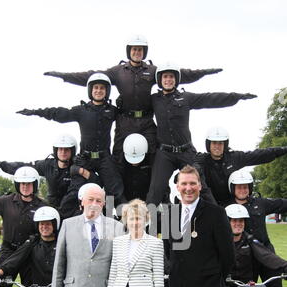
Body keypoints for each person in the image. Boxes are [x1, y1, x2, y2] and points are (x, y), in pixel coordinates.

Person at [44, 34, 223, 165]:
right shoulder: (118, 71)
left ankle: (161, 201)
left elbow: (182, 74)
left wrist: (206, 72)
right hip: (125, 120)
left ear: (144, 52)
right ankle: (117, 206)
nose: (137, 52)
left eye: (140, 50)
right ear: (129, 51)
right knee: (119, 157)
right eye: (134, 49)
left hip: (146, 120)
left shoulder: (153, 71)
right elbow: (93, 76)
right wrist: (63, 76)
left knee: (154, 154)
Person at [146, 63, 257, 206]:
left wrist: (236, 97)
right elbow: (136, 104)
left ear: (176, 79)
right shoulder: (154, 99)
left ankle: (219, 221)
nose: (168, 80)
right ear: (160, 79)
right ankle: (143, 226)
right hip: (164, 153)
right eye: (165, 77)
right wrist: (121, 103)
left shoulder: (185, 97)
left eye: (172, 77)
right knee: (155, 191)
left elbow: (210, 99)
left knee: (202, 187)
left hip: (186, 151)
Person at [16, 73, 125, 207]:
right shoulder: (81, 110)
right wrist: (35, 112)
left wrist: (124, 103)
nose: (98, 91)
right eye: (95, 88)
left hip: (105, 158)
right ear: (90, 90)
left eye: (102, 88)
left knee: (116, 191)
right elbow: (59, 113)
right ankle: (61, 217)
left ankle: (120, 223)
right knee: (74, 191)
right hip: (85, 158)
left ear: (107, 91)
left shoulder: (112, 111)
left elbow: (129, 117)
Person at [226, 169, 287, 287]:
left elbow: (282, 203)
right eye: (239, 187)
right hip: (244, 255)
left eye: (245, 187)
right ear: (232, 188)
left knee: (275, 286)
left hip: (264, 252)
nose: (243, 190)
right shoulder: (228, 207)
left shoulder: (260, 203)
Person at [219, 204, 287, 287]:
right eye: (234, 220)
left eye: (241, 221)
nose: (238, 224)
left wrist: (284, 266)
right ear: (227, 222)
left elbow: (266, 255)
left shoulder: (250, 241)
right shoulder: (220, 242)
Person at [195, 127, 287, 204]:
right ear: (208, 144)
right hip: (209, 204)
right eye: (214, 143)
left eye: (220, 143)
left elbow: (259, 155)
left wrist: (283, 150)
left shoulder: (234, 157)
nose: (217, 146)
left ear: (225, 145)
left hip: (232, 204)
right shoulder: (201, 160)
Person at [0, 134, 78, 208]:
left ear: (72, 151)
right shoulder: (47, 165)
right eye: (60, 149)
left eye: (66, 149)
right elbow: (24, 167)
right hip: (51, 207)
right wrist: (1, 165)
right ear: (56, 150)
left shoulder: (78, 167)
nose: (63, 152)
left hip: (72, 209)